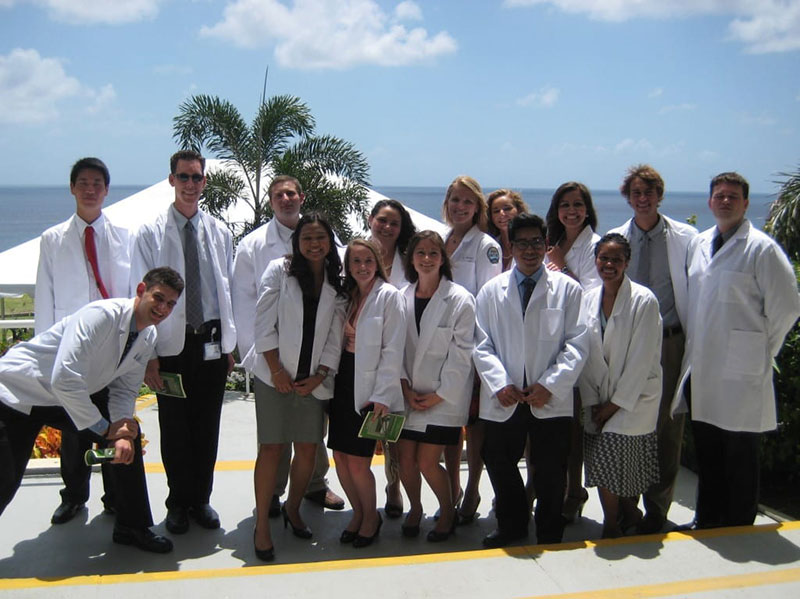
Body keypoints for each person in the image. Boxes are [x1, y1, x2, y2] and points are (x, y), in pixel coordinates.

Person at [0, 267, 184, 553]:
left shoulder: (148, 337)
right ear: (140, 290)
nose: (163, 308)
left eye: (171, 304)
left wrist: (121, 428)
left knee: (129, 437)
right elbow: (64, 377)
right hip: (20, 393)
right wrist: (104, 428)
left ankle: (131, 526)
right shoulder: (101, 316)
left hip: (67, 396)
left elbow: (124, 389)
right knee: (5, 479)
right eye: (158, 298)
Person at [672, 172, 800, 529]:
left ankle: (740, 521)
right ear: (710, 201)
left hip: (742, 369)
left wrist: (760, 349)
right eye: (719, 195)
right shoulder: (698, 244)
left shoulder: (761, 248)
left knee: (740, 451)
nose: (725, 201)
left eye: (733, 196)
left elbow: (788, 307)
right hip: (703, 368)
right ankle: (708, 518)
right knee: (707, 448)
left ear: (745, 203)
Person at [130, 150, 236, 535]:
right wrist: (148, 355)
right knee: (175, 429)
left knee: (207, 426)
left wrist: (228, 346)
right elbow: (139, 297)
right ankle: (177, 503)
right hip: (168, 349)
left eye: (197, 177)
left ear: (204, 182)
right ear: (171, 180)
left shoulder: (220, 233)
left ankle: (200, 499)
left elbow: (227, 293)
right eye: (184, 177)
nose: (191, 184)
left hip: (209, 344)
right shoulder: (148, 233)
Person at [232, 175, 345, 517]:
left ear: (301, 196)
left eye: (292, 193)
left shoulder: (327, 243)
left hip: (312, 367)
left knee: (311, 440)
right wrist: (271, 367)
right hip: (273, 363)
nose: (286, 199)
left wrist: (321, 371)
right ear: (271, 201)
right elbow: (245, 304)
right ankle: (273, 496)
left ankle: (313, 486)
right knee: (274, 440)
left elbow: (336, 319)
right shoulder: (254, 247)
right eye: (279, 194)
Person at [474, 213, 588, 547]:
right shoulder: (491, 291)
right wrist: (500, 384)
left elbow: (578, 343)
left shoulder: (568, 290)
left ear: (546, 245)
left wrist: (550, 385)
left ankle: (551, 529)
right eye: (521, 243)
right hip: (504, 396)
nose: (529, 249)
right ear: (511, 245)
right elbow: (481, 344)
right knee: (498, 460)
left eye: (536, 242)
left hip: (548, 396)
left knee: (551, 467)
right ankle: (512, 526)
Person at [35, 157, 131, 525]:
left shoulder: (125, 236)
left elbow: (132, 292)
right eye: (83, 183)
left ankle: (114, 497)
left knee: (112, 423)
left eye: (97, 184)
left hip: (111, 351)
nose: (90, 190)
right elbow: (45, 295)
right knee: (74, 429)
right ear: (72, 188)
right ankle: (73, 496)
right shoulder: (53, 239)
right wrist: (46, 353)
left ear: (106, 191)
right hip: (69, 351)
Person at [250, 213, 347, 561]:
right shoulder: (280, 270)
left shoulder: (337, 280)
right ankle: (262, 523)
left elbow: (335, 336)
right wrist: (276, 370)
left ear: (329, 241)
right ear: (297, 241)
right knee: (272, 449)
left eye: (320, 237)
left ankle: (293, 508)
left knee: (308, 448)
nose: (314, 244)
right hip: (274, 378)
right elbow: (262, 322)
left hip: (312, 382)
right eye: (307, 237)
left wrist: (321, 375)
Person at [608, 164, 697, 534]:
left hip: (669, 343)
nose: (642, 199)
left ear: (659, 196)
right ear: (627, 198)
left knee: (667, 428)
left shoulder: (686, 238)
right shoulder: (614, 237)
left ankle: (658, 510)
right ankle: (628, 506)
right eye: (635, 193)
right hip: (625, 347)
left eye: (649, 193)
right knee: (626, 423)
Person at [578, 234, 663, 538]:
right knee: (607, 465)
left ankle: (615, 523)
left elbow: (642, 359)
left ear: (627, 262)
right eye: (604, 258)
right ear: (596, 260)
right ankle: (624, 517)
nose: (609, 264)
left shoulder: (644, 300)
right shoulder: (588, 298)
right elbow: (584, 354)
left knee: (615, 462)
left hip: (634, 397)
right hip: (598, 397)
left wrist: (613, 406)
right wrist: (594, 403)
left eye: (616, 259)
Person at [396, 231, 475, 542]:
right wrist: (404, 387)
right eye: (420, 253)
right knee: (405, 459)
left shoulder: (459, 299)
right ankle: (415, 509)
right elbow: (395, 347)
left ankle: (447, 510)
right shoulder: (401, 296)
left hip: (444, 399)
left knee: (428, 461)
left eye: (433, 253)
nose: (426, 259)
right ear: (411, 258)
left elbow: (462, 354)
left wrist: (438, 395)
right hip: (407, 395)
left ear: (443, 259)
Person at [328, 239, 405, 548]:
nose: (362, 267)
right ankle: (358, 513)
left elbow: (393, 350)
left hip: (370, 387)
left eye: (367, 261)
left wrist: (383, 396)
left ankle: (371, 518)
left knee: (359, 461)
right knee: (340, 457)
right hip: (343, 379)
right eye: (355, 261)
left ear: (378, 263)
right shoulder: (346, 298)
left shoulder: (389, 297)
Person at [441, 176, 502, 525]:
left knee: (473, 425)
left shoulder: (486, 246)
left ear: (477, 207)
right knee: (449, 423)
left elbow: (489, 301)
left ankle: (474, 488)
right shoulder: (442, 240)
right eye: (454, 200)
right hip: (441, 347)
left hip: (473, 347)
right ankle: (452, 487)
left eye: (467, 201)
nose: (460, 207)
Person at [544, 181, 602, 523]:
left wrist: (561, 266)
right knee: (555, 426)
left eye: (578, 204)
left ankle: (573, 490)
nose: (571, 210)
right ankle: (556, 487)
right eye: (565, 204)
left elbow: (592, 297)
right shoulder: (552, 242)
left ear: (587, 209)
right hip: (549, 344)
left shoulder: (594, 246)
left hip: (580, 346)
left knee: (574, 426)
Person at [367, 198, 417, 518]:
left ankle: (393, 487)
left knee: (391, 432)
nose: (387, 227)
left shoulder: (409, 263)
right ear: (370, 220)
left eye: (394, 223)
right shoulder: (353, 255)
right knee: (359, 432)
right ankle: (362, 494)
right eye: (382, 220)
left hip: (399, 357)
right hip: (359, 358)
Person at [487, 189, 529, 271]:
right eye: (496, 211)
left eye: (507, 209)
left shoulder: (531, 244)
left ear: (518, 210)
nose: (502, 213)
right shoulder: (488, 245)